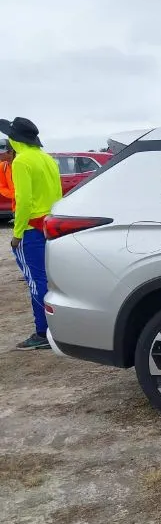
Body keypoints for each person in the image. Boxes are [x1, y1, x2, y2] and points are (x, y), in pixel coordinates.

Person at [0, 117, 62, 350]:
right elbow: (56, 194)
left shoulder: (21, 161)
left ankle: (43, 332)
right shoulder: (47, 158)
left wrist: (17, 234)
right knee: (50, 279)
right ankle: (56, 328)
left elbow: (23, 200)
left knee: (36, 282)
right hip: (49, 225)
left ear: (16, 139)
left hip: (31, 230)